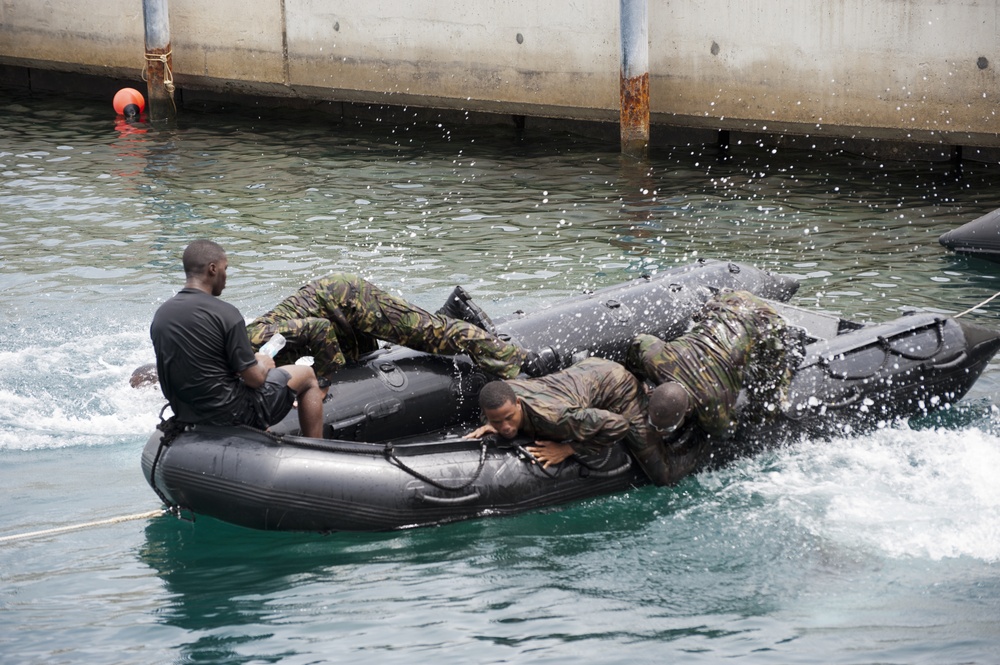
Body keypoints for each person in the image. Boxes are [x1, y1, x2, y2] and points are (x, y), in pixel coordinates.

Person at [245, 273, 552, 386]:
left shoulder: (252, 339)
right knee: (366, 360)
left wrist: (323, 382)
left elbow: (318, 328)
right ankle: (450, 310)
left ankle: (521, 358)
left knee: (433, 336)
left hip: (346, 301)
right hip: (338, 323)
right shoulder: (242, 349)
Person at [149, 240, 323, 438]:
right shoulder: (225, 313)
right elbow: (255, 379)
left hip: (186, 414)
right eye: (225, 269)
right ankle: (316, 447)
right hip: (232, 414)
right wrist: (262, 362)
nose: (226, 277)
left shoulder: (162, 315)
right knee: (307, 375)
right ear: (213, 269)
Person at [627, 289, 797, 444]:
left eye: (669, 428)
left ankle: (796, 349)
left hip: (764, 321)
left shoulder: (713, 407)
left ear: (687, 411)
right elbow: (639, 341)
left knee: (767, 402)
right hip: (728, 301)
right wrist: (638, 380)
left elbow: (727, 430)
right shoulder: (656, 359)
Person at [468, 357, 649, 469]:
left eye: (509, 418)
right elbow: (493, 408)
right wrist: (490, 424)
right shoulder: (500, 397)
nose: (505, 427)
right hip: (585, 372)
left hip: (616, 384)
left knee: (659, 474)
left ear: (518, 404)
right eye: (498, 421)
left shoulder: (555, 418)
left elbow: (618, 425)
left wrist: (568, 449)